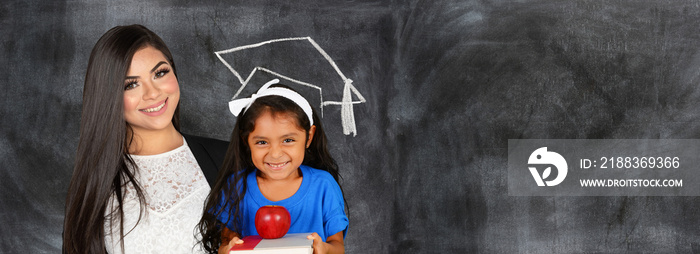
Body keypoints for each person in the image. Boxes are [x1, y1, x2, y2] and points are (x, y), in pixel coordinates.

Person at [62, 24, 228, 254]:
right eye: (131, 84)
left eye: (160, 73)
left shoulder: (230, 159)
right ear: (108, 96)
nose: (152, 93)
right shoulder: (92, 185)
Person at [198, 79, 348, 254]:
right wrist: (228, 249)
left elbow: (337, 246)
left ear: (309, 137)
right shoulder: (236, 186)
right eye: (262, 142)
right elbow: (226, 244)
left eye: (288, 140)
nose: (275, 154)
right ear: (247, 141)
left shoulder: (324, 185)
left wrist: (324, 249)